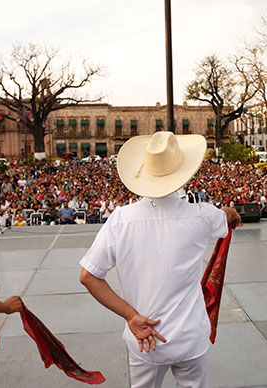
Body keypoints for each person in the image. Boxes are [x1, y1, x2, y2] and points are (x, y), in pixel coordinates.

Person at [79, 131, 241, 388]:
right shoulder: (202, 216)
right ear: (184, 172)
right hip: (190, 337)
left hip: (145, 339)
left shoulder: (121, 220)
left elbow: (88, 276)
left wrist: (131, 316)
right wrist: (230, 213)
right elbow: (229, 216)